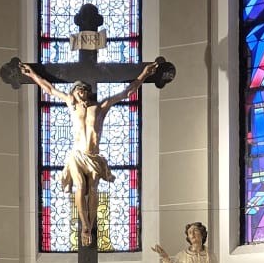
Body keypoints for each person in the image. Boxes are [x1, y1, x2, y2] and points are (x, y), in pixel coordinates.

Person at [18, 59, 164, 248]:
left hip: (94, 156)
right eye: (79, 90)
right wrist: (32, 74)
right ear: (73, 93)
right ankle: (84, 225)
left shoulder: (100, 107)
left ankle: (91, 223)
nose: (83, 93)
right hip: (77, 155)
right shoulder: (71, 105)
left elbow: (126, 92)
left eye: (85, 90)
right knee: (80, 186)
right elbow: (50, 89)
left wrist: (144, 74)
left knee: (93, 189)